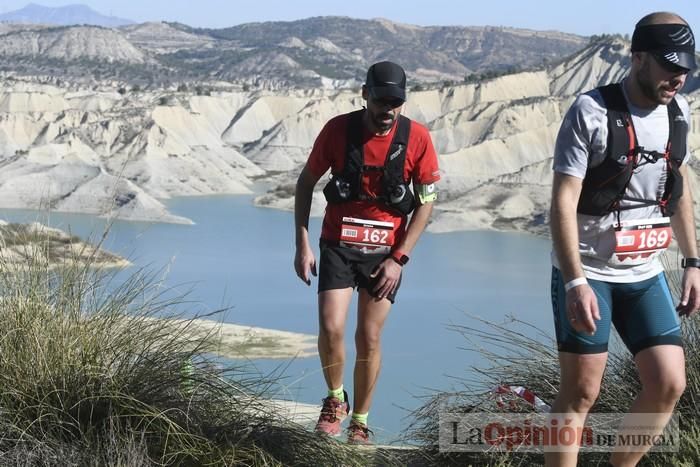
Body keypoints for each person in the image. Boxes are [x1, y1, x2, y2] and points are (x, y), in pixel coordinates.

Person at [547, 11, 699, 467]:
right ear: (638, 58)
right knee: (581, 392)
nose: (679, 76)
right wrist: (575, 283)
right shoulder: (590, 112)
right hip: (589, 272)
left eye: (685, 66)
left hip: (644, 272)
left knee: (669, 383)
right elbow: (561, 203)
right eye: (669, 65)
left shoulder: (680, 112)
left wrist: (693, 262)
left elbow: (679, 188)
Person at [293, 61, 440, 444]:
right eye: (379, 100)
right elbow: (306, 182)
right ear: (364, 95)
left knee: (369, 337)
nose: (386, 110)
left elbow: (426, 204)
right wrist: (302, 242)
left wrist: (399, 258)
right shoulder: (337, 131)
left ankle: (359, 420)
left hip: (385, 254)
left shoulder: (418, 139)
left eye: (395, 102)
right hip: (338, 245)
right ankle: (335, 399)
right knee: (330, 326)